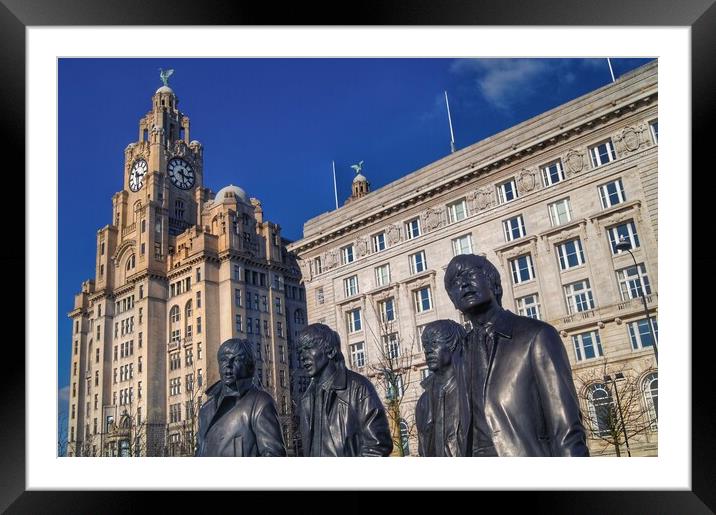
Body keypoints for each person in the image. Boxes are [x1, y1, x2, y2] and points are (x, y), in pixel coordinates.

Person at [444, 254, 589, 457]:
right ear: (453, 301)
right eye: (455, 282)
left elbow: (565, 429)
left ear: (493, 283)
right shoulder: (459, 354)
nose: (464, 283)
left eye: (470, 274)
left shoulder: (536, 335)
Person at [297, 323, 393, 457]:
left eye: (308, 348)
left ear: (330, 351)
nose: (303, 356)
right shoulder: (306, 399)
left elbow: (377, 446)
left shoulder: (358, 388)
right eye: (300, 351)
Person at [196, 338, 286, 457]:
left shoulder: (260, 403)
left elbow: (274, 454)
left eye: (236, 360)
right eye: (223, 360)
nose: (228, 365)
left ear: (248, 366)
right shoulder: (206, 410)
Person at [415, 320, 470, 457]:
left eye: (434, 343)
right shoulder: (424, 402)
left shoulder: (472, 389)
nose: (428, 351)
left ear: (454, 344)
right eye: (425, 345)